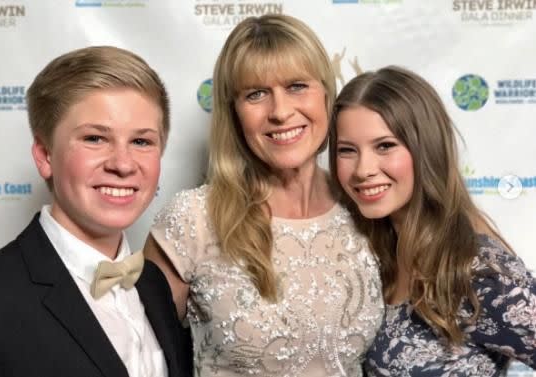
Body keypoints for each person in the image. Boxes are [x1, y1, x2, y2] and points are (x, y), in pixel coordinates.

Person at [145, 14, 384, 377]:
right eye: (256, 94)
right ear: (234, 111)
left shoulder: (364, 203)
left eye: (297, 86)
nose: (281, 112)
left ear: (326, 93)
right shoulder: (193, 218)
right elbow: (138, 358)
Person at [0, 46, 191, 377]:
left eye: (141, 142)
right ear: (45, 156)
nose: (122, 164)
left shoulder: (154, 285)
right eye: (95, 138)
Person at [330, 65, 536, 376]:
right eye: (347, 150)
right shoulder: (375, 256)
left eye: (385, 146)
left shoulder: (478, 271)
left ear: (426, 148)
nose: (363, 169)